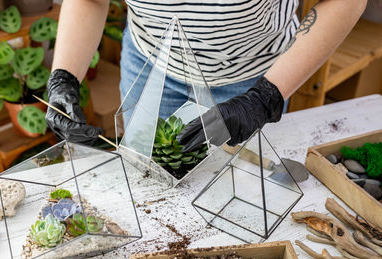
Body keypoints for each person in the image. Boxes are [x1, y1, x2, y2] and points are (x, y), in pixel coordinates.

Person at [46, 0, 367, 150]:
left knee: (238, 187)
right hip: (150, 65)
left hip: (254, 78)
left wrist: (265, 98)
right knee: (150, 178)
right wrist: (64, 77)